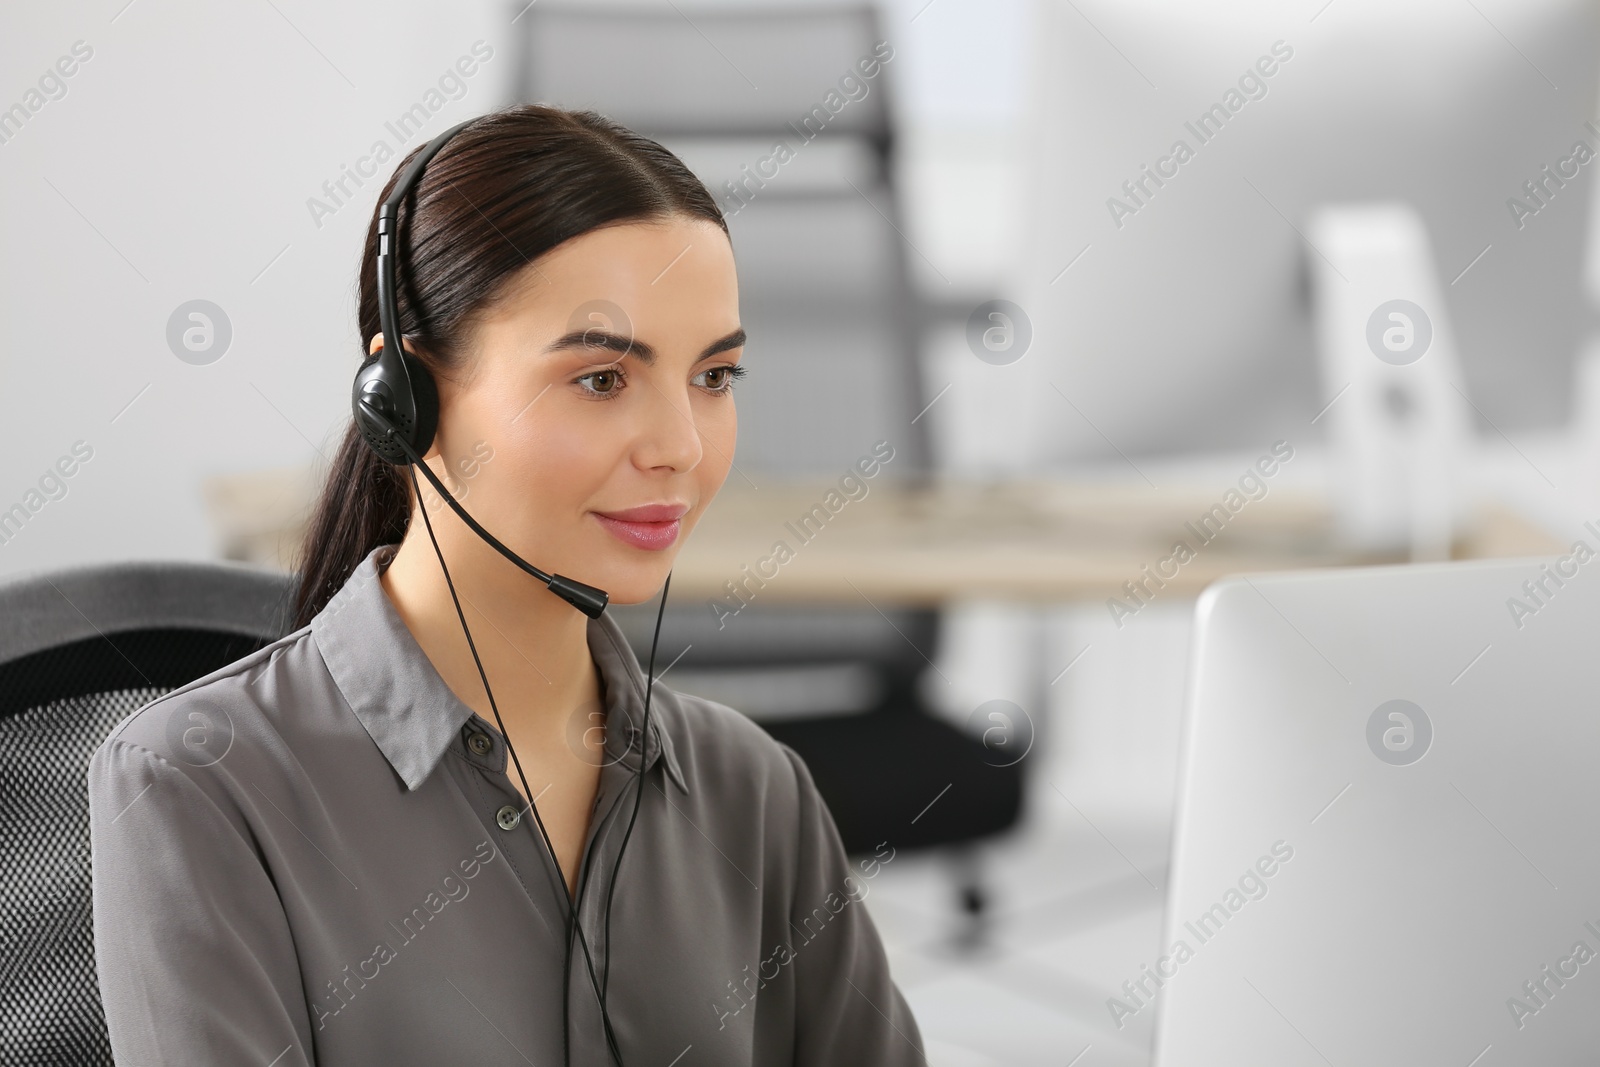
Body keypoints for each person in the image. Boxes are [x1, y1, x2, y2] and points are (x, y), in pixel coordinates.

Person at [87, 104, 927, 1067]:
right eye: (604, 379)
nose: (682, 448)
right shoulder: (203, 783)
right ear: (404, 400)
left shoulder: (753, 791)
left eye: (716, 375)